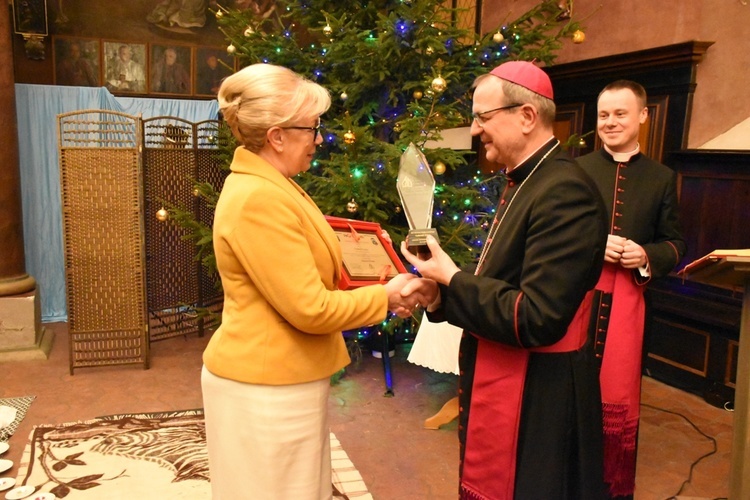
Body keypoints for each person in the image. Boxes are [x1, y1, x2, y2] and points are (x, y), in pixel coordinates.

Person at [201, 63, 435, 499]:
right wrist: (384, 296)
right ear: (277, 136)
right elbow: (310, 309)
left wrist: (376, 287)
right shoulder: (259, 198)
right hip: (265, 386)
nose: (319, 139)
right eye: (312, 128)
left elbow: (311, 276)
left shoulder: (276, 184)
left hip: (280, 378)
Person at [401, 60, 609, 499]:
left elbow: (537, 316)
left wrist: (453, 278)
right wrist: (440, 295)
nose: (475, 130)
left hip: (542, 394)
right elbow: (504, 283)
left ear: (527, 116)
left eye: (483, 117)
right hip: (516, 376)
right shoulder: (528, 180)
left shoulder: (564, 190)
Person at [576, 80, 686, 499]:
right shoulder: (577, 169)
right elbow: (554, 234)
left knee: (614, 392)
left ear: (642, 116)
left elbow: (676, 242)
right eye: (604, 115)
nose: (610, 122)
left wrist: (645, 255)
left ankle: (608, 485)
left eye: (620, 113)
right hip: (577, 296)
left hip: (627, 303)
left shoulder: (661, 178)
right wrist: (591, 244)